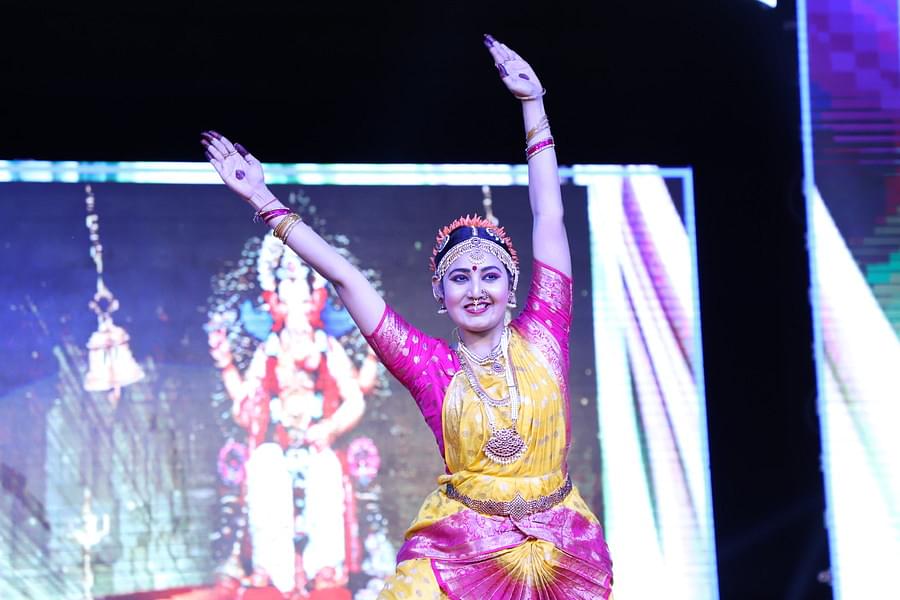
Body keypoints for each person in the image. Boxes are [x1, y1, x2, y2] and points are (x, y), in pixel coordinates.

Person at [202, 34, 613, 600]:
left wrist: (532, 104)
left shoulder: (546, 331)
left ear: (513, 286)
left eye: (489, 275)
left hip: (558, 552)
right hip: (460, 550)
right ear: (440, 294)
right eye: (459, 278)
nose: (476, 290)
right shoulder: (429, 367)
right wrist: (263, 200)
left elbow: (549, 214)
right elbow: (347, 279)